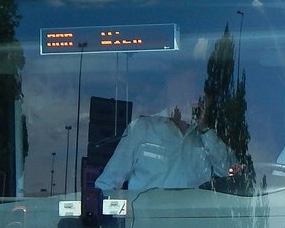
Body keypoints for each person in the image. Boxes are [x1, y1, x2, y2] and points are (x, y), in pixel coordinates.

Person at [94, 71, 238, 195]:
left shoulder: (205, 137)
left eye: (190, 88)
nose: (184, 95)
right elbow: (107, 184)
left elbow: (228, 172)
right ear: (167, 92)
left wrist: (204, 128)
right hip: (149, 224)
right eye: (179, 88)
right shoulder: (142, 129)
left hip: (196, 223)